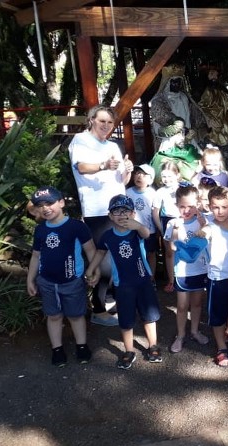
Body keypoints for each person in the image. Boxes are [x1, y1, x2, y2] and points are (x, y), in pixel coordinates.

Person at [69, 104, 134, 327]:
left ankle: (108, 300)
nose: (106, 125)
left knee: (119, 256)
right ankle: (98, 310)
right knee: (103, 260)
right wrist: (104, 165)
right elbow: (81, 167)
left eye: (110, 122)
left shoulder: (113, 145)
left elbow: (122, 180)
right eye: (102, 121)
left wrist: (127, 170)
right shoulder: (80, 140)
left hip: (118, 208)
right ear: (91, 120)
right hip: (97, 210)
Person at [85, 195, 162, 369]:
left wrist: (138, 225)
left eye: (125, 211)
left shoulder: (136, 231)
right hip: (123, 284)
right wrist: (91, 269)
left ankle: (153, 346)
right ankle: (129, 350)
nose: (121, 214)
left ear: (133, 213)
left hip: (143, 281)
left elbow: (146, 234)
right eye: (116, 211)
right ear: (110, 216)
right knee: (126, 319)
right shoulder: (107, 236)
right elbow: (100, 252)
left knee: (149, 315)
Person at [26, 186, 96, 367]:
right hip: (47, 282)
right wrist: (30, 279)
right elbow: (36, 256)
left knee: (76, 316)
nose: (45, 208)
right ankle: (57, 349)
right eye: (40, 205)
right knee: (53, 316)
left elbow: (90, 250)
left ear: (62, 202)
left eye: (49, 203)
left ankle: (81, 346)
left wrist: (94, 270)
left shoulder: (76, 226)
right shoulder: (40, 229)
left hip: (72, 281)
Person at [196, 186, 228, 367]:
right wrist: (201, 232)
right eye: (215, 207)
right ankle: (222, 348)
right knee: (217, 316)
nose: (220, 211)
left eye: (224, 207)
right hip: (217, 280)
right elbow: (204, 232)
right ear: (209, 207)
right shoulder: (210, 227)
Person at [164, 185, 210, 353]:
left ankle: (195, 331)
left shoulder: (202, 221)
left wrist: (203, 226)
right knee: (182, 305)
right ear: (177, 205)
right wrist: (171, 277)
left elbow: (207, 240)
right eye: (182, 206)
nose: (186, 210)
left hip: (200, 269)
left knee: (197, 303)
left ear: (197, 204)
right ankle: (181, 335)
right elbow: (172, 249)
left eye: (191, 206)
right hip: (182, 271)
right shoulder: (172, 223)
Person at [150, 64, 208, 150]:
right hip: (168, 140)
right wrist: (179, 127)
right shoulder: (159, 99)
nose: (177, 84)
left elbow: (194, 115)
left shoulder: (184, 97)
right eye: (174, 81)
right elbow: (162, 117)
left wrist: (196, 127)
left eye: (179, 81)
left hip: (188, 137)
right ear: (168, 82)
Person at [152, 161, 183, 293]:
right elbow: (155, 212)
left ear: (177, 175)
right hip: (167, 221)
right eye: (164, 176)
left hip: (183, 219)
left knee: (184, 249)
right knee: (169, 252)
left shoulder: (183, 188)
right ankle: (171, 280)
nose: (167, 179)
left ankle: (185, 278)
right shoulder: (160, 192)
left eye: (170, 176)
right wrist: (161, 228)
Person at [126, 164, 159, 275]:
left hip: (150, 230)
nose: (139, 176)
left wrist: (158, 229)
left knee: (150, 253)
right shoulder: (128, 192)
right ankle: (137, 276)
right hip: (132, 230)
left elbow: (155, 213)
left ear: (150, 179)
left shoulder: (153, 193)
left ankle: (151, 278)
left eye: (144, 175)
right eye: (137, 173)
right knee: (135, 253)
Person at [198, 68, 228, 147]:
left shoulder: (222, 92)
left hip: (222, 126)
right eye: (212, 74)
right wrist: (208, 118)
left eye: (216, 75)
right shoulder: (200, 92)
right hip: (208, 125)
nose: (214, 77)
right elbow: (198, 108)